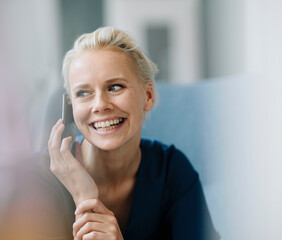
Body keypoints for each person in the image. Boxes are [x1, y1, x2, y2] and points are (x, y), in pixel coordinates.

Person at [41, 27, 219, 240]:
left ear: (148, 96)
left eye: (115, 87)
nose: (99, 105)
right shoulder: (40, 182)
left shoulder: (172, 171)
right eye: (83, 93)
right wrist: (85, 200)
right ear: (71, 108)